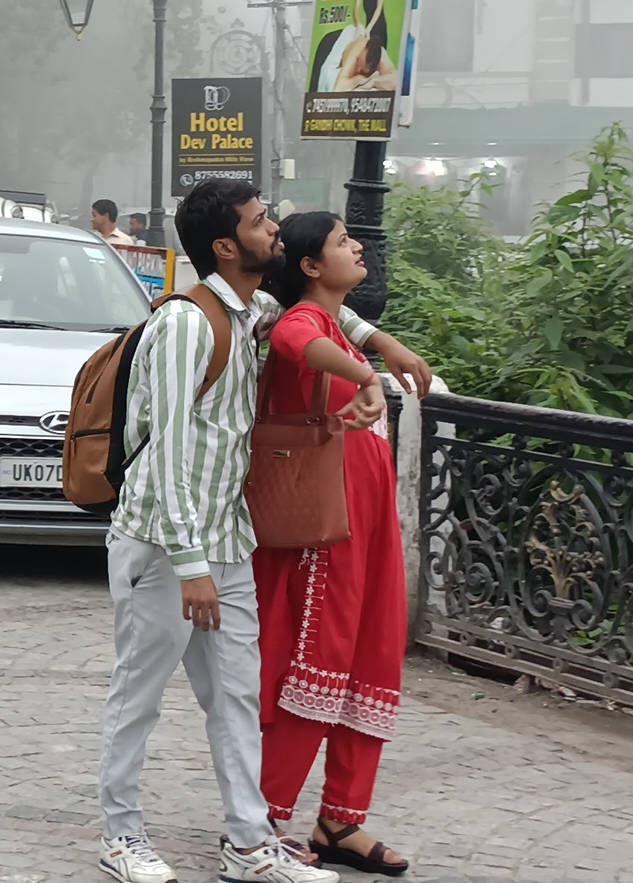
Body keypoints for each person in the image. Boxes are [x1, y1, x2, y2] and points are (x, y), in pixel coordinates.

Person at [94, 178, 429, 883]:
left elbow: (324, 322)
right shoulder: (188, 323)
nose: (274, 228)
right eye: (259, 221)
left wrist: (381, 348)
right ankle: (121, 834)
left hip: (229, 538)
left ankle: (250, 845)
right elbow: (173, 449)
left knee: (239, 698)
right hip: (165, 544)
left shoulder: (258, 308)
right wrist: (191, 566)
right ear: (226, 245)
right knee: (140, 694)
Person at [255, 212, 423, 877]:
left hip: (369, 524)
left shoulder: (340, 323)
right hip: (329, 531)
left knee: (372, 658)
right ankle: (265, 818)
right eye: (341, 241)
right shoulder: (304, 321)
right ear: (311, 267)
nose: (358, 246)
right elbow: (299, 339)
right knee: (315, 666)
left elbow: (339, 331)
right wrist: (369, 377)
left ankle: (341, 818)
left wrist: (381, 351)